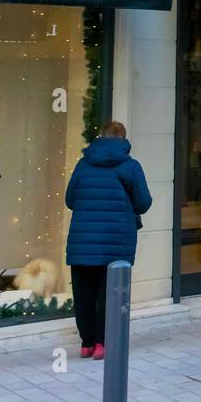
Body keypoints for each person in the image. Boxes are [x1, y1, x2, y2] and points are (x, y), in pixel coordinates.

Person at [65, 121, 151, 360]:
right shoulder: (131, 167)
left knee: (84, 292)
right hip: (116, 239)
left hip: (83, 241)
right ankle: (102, 343)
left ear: (100, 137)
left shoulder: (83, 164)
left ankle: (86, 343)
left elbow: (70, 200)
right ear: (123, 139)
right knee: (110, 292)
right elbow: (143, 202)